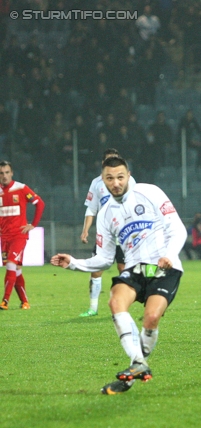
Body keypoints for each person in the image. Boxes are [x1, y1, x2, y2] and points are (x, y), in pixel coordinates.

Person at [51, 156, 187, 395]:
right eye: (109, 178)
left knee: (151, 318)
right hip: (135, 269)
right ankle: (138, 362)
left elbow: (177, 228)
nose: (116, 183)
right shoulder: (104, 214)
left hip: (163, 266)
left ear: (129, 175)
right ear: (102, 181)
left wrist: (169, 254)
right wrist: (73, 263)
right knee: (115, 301)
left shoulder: (150, 192)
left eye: (120, 177)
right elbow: (104, 258)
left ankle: (131, 375)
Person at [78, 148, 137, 317]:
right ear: (103, 164)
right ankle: (93, 308)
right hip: (105, 233)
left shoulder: (129, 180)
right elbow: (91, 208)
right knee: (96, 269)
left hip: (123, 232)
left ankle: (123, 307)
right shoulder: (96, 183)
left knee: (123, 269)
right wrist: (85, 231)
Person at [0, 161, 45, 310]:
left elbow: (40, 203)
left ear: (12, 173)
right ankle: (24, 301)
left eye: (7, 172)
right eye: (1, 173)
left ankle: (5, 301)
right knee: (16, 270)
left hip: (19, 236)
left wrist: (33, 224)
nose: (4, 176)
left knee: (11, 265)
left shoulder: (21, 188)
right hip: (4, 237)